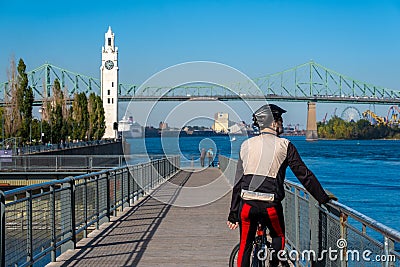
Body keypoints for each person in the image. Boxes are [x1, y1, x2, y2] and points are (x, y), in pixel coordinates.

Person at [227, 104, 337, 267]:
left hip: (247, 205)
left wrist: (233, 214)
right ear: (273, 123)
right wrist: (322, 198)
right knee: (278, 237)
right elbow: (304, 175)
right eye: (280, 121)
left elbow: (238, 183)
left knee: (245, 245)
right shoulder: (285, 145)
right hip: (270, 205)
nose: (282, 124)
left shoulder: (246, 146)